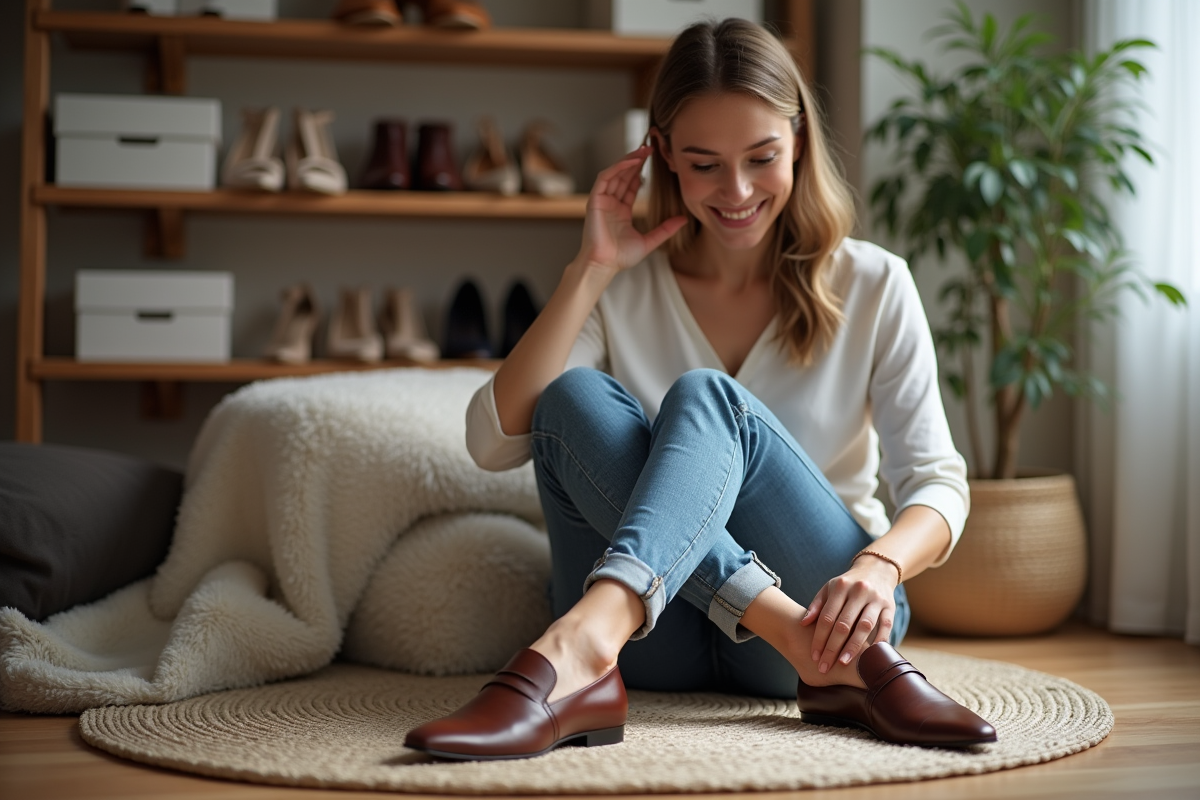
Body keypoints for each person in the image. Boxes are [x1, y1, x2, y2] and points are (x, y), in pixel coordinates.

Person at [405, 18, 996, 760]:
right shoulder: (623, 289)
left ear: (799, 141)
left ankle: (581, 642)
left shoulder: (875, 281)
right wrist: (590, 271)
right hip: (664, 640)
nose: (737, 190)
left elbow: (938, 483)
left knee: (707, 398)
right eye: (704, 163)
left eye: (762, 157)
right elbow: (493, 442)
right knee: (571, 398)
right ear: (662, 156)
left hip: (830, 618)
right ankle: (623, 632)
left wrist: (880, 567)